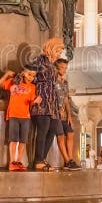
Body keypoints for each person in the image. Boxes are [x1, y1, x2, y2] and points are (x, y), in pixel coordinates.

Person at [30, 38, 65, 171]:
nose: (59, 54)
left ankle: (43, 158)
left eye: (60, 52)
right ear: (51, 48)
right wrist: (34, 95)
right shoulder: (39, 60)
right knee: (43, 131)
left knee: (52, 131)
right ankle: (38, 160)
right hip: (42, 100)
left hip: (53, 103)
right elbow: (28, 76)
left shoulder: (52, 64)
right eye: (58, 51)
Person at [0, 67, 40, 171]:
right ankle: (12, 162)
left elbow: (31, 102)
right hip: (14, 115)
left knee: (23, 140)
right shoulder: (14, 82)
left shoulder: (32, 87)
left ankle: (19, 161)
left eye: (33, 75)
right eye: (29, 74)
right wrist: (7, 74)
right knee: (14, 140)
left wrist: (36, 101)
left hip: (25, 116)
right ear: (23, 73)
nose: (31, 77)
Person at [54, 59, 80, 171]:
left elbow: (66, 99)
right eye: (62, 67)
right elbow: (50, 97)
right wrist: (56, 109)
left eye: (65, 67)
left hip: (64, 115)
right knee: (60, 135)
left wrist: (69, 115)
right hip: (54, 114)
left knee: (70, 133)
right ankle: (67, 160)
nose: (64, 70)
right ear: (56, 68)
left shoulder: (64, 83)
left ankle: (70, 159)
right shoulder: (52, 82)